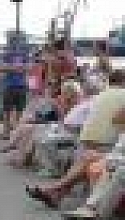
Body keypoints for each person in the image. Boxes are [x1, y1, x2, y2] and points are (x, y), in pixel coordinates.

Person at [27, 70, 125, 208]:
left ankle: (55, 191)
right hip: (107, 145)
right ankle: (56, 192)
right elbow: (117, 122)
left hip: (91, 143)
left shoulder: (100, 96)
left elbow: (115, 121)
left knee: (88, 157)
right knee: (89, 157)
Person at [0, 42, 29, 139]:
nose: (16, 48)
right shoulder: (7, 55)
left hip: (20, 86)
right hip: (10, 86)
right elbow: (1, 67)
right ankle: (6, 132)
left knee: (19, 111)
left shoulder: (25, 55)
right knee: (7, 110)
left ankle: (16, 132)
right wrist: (17, 68)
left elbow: (28, 68)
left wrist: (12, 68)